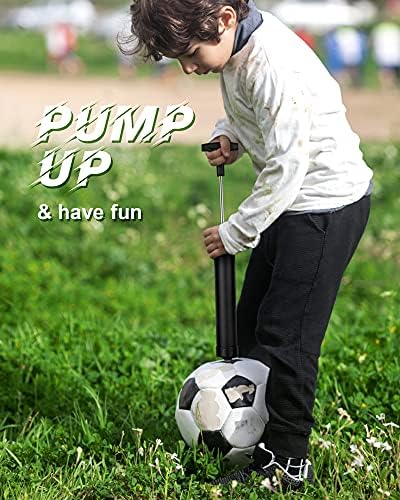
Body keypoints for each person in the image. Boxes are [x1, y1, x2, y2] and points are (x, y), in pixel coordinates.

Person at [126, 0, 373, 492]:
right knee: (253, 326)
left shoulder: (272, 63)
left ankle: (287, 460)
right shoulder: (239, 47)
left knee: (287, 339)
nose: (189, 67)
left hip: (324, 206)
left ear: (222, 19)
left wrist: (236, 230)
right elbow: (250, 111)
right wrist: (229, 133)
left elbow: (288, 165)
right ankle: (249, 433)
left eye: (192, 53)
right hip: (289, 204)